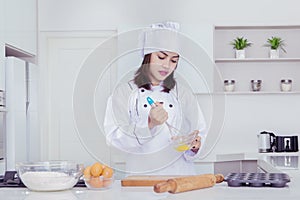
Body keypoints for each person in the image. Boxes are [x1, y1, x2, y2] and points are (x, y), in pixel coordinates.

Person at [103, 22, 207, 175]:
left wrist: (195, 145)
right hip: (142, 179)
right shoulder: (124, 93)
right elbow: (113, 139)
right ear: (147, 56)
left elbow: (199, 131)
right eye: (161, 57)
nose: (167, 65)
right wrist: (149, 125)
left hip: (180, 177)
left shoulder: (184, 94)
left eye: (173, 60)